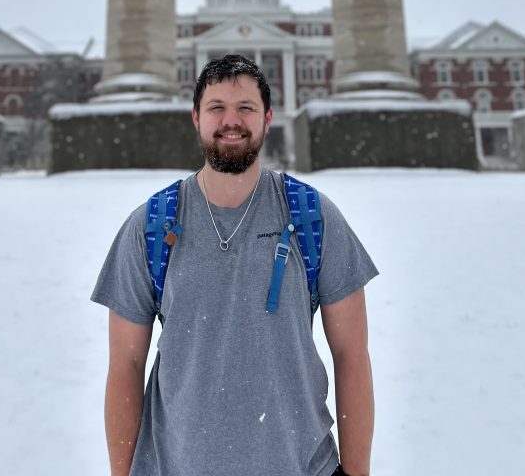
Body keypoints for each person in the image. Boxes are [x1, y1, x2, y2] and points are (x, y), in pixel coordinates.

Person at [91, 54, 378, 476]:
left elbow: (352, 355)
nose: (232, 121)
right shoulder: (151, 225)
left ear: (267, 117)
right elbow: (125, 367)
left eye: (245, 108)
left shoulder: (311, 215)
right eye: (217, 108)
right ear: (196, 117)